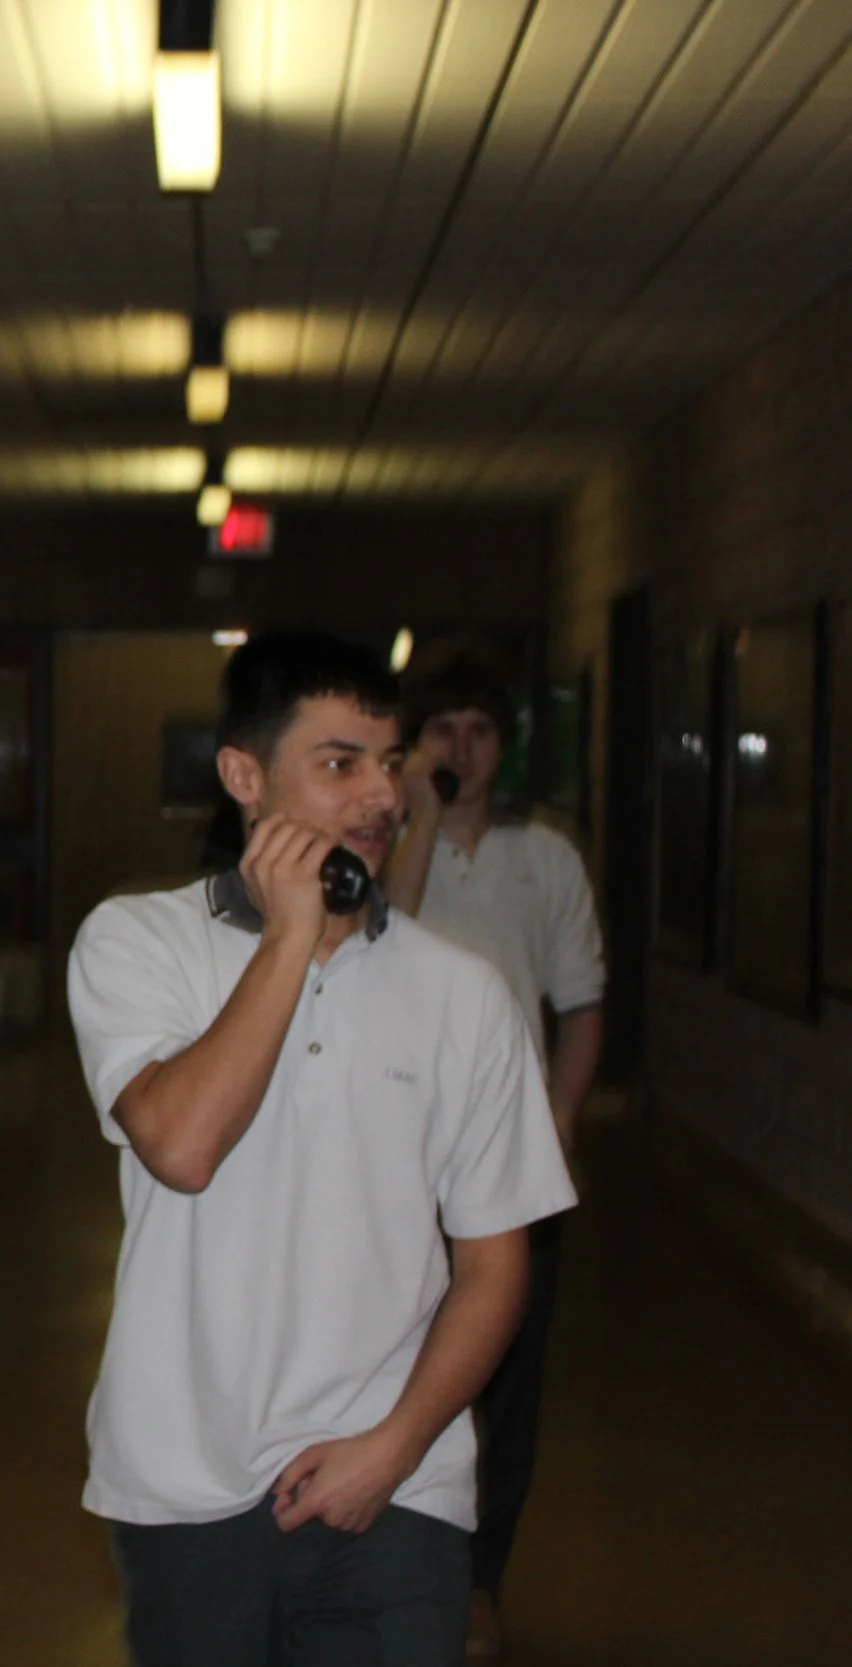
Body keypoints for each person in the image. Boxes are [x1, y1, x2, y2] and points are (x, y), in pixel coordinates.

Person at [66, 630, 575, 1667]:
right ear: (244, 777)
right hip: (183, 1480)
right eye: (339, 764)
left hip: (394, 1481)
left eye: (387, 763)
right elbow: (183, 1144)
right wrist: (292, 934)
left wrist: (391, 1450)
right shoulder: (133, 943)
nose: (381, 797)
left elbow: (491, 1265)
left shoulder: (463, 993)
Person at [380, 652, 603, 1660]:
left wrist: (558, 1120)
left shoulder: (547, 858)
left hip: (508, 1156)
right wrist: (419, 816)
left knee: (504, 1376)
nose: (459, 747)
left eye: (477, 728)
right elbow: (380, 937)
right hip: (393, 1149)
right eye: (441, 730)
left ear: (502, 743)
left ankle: (477, 1577)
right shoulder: (385, 844)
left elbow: (581, 1004)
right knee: (395, 1359)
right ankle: (390, 1560)